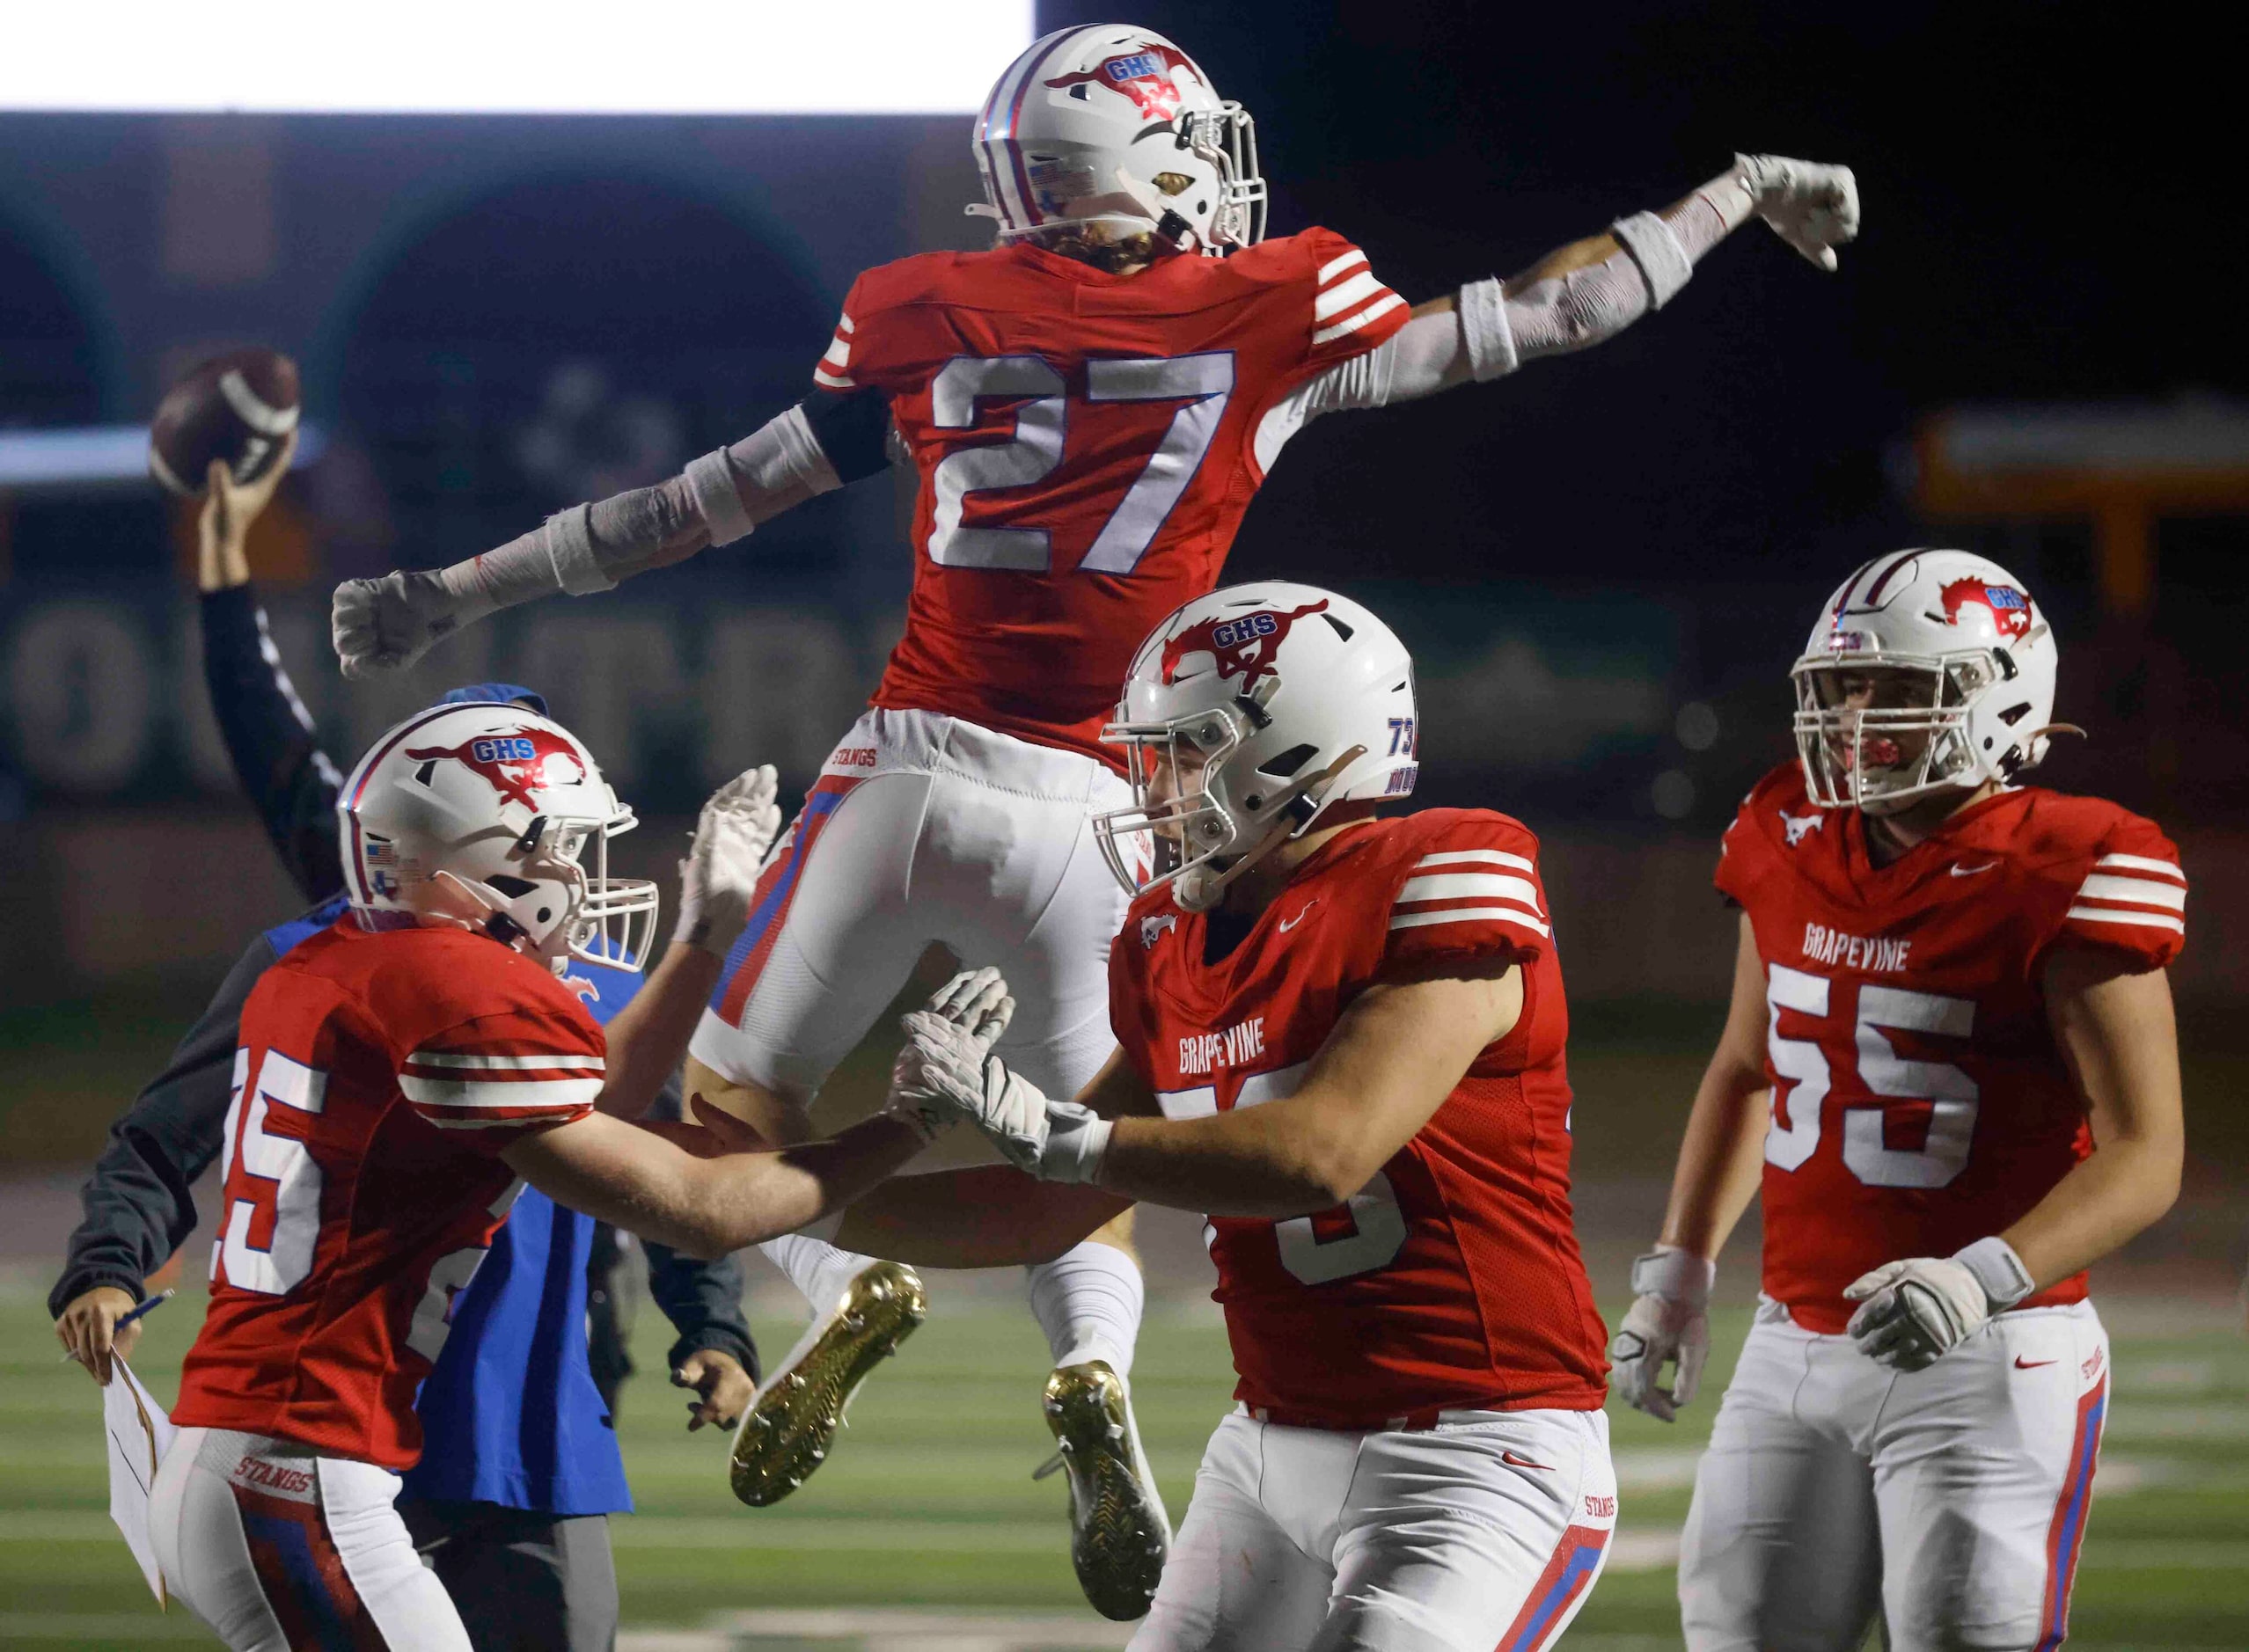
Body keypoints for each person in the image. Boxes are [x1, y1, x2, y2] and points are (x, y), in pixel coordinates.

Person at [329, 21, 1857, 1611]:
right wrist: (1725, 201)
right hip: (1117, 793)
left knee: (730, 1109)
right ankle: (1100, 1380)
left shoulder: (918, 309)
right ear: (1160, 154)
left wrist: (454, 590)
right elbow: (1549, 312)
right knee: (1096, 1157)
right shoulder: (1269, 306)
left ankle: (842, 1282)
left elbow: (689, 504)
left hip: (901, 768)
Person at [53, 447, 757, 1652]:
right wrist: (109, 1256)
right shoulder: (334, 956)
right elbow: (169, 1128)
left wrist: (714, 1325)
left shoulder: (579, 971)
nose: (571, 873)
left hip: (522, 1413)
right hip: (352, 1401)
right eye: (545, 842)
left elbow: (658, 1165)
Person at [838, 583, 1615, 1652]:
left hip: (1478, 1447)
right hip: (1264, 1448)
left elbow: (1321, 1154)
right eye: (1148, 753)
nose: (1152, 784)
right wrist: (796, 1208)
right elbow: (1040, 1207)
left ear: (1302, 748)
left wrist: (1051, 1131)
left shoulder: (1440, 866)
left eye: (1186, 749)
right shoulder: (1165, 933)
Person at [117, 698, 945, 1651]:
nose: (575, 878)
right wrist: (909, 1125)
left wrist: (705, 935)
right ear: (480, 858)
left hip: (261, 1456)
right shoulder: (452, 989)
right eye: (555, 848)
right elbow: (699, 1213)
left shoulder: (341, 960)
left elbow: (599, 1097)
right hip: (295, 1475)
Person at [1608, 550, 2187, 1652]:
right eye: (1839, 687)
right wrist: (1677, 1274)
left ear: (2000, 693)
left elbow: (2147, 1150)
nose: (1853, 715)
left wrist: (1979, 1279)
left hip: (1990, 1349)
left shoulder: (2073, 861)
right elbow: (1746, 1064)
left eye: (1896, 689)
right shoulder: (1784, 827)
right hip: (1792, 1341)